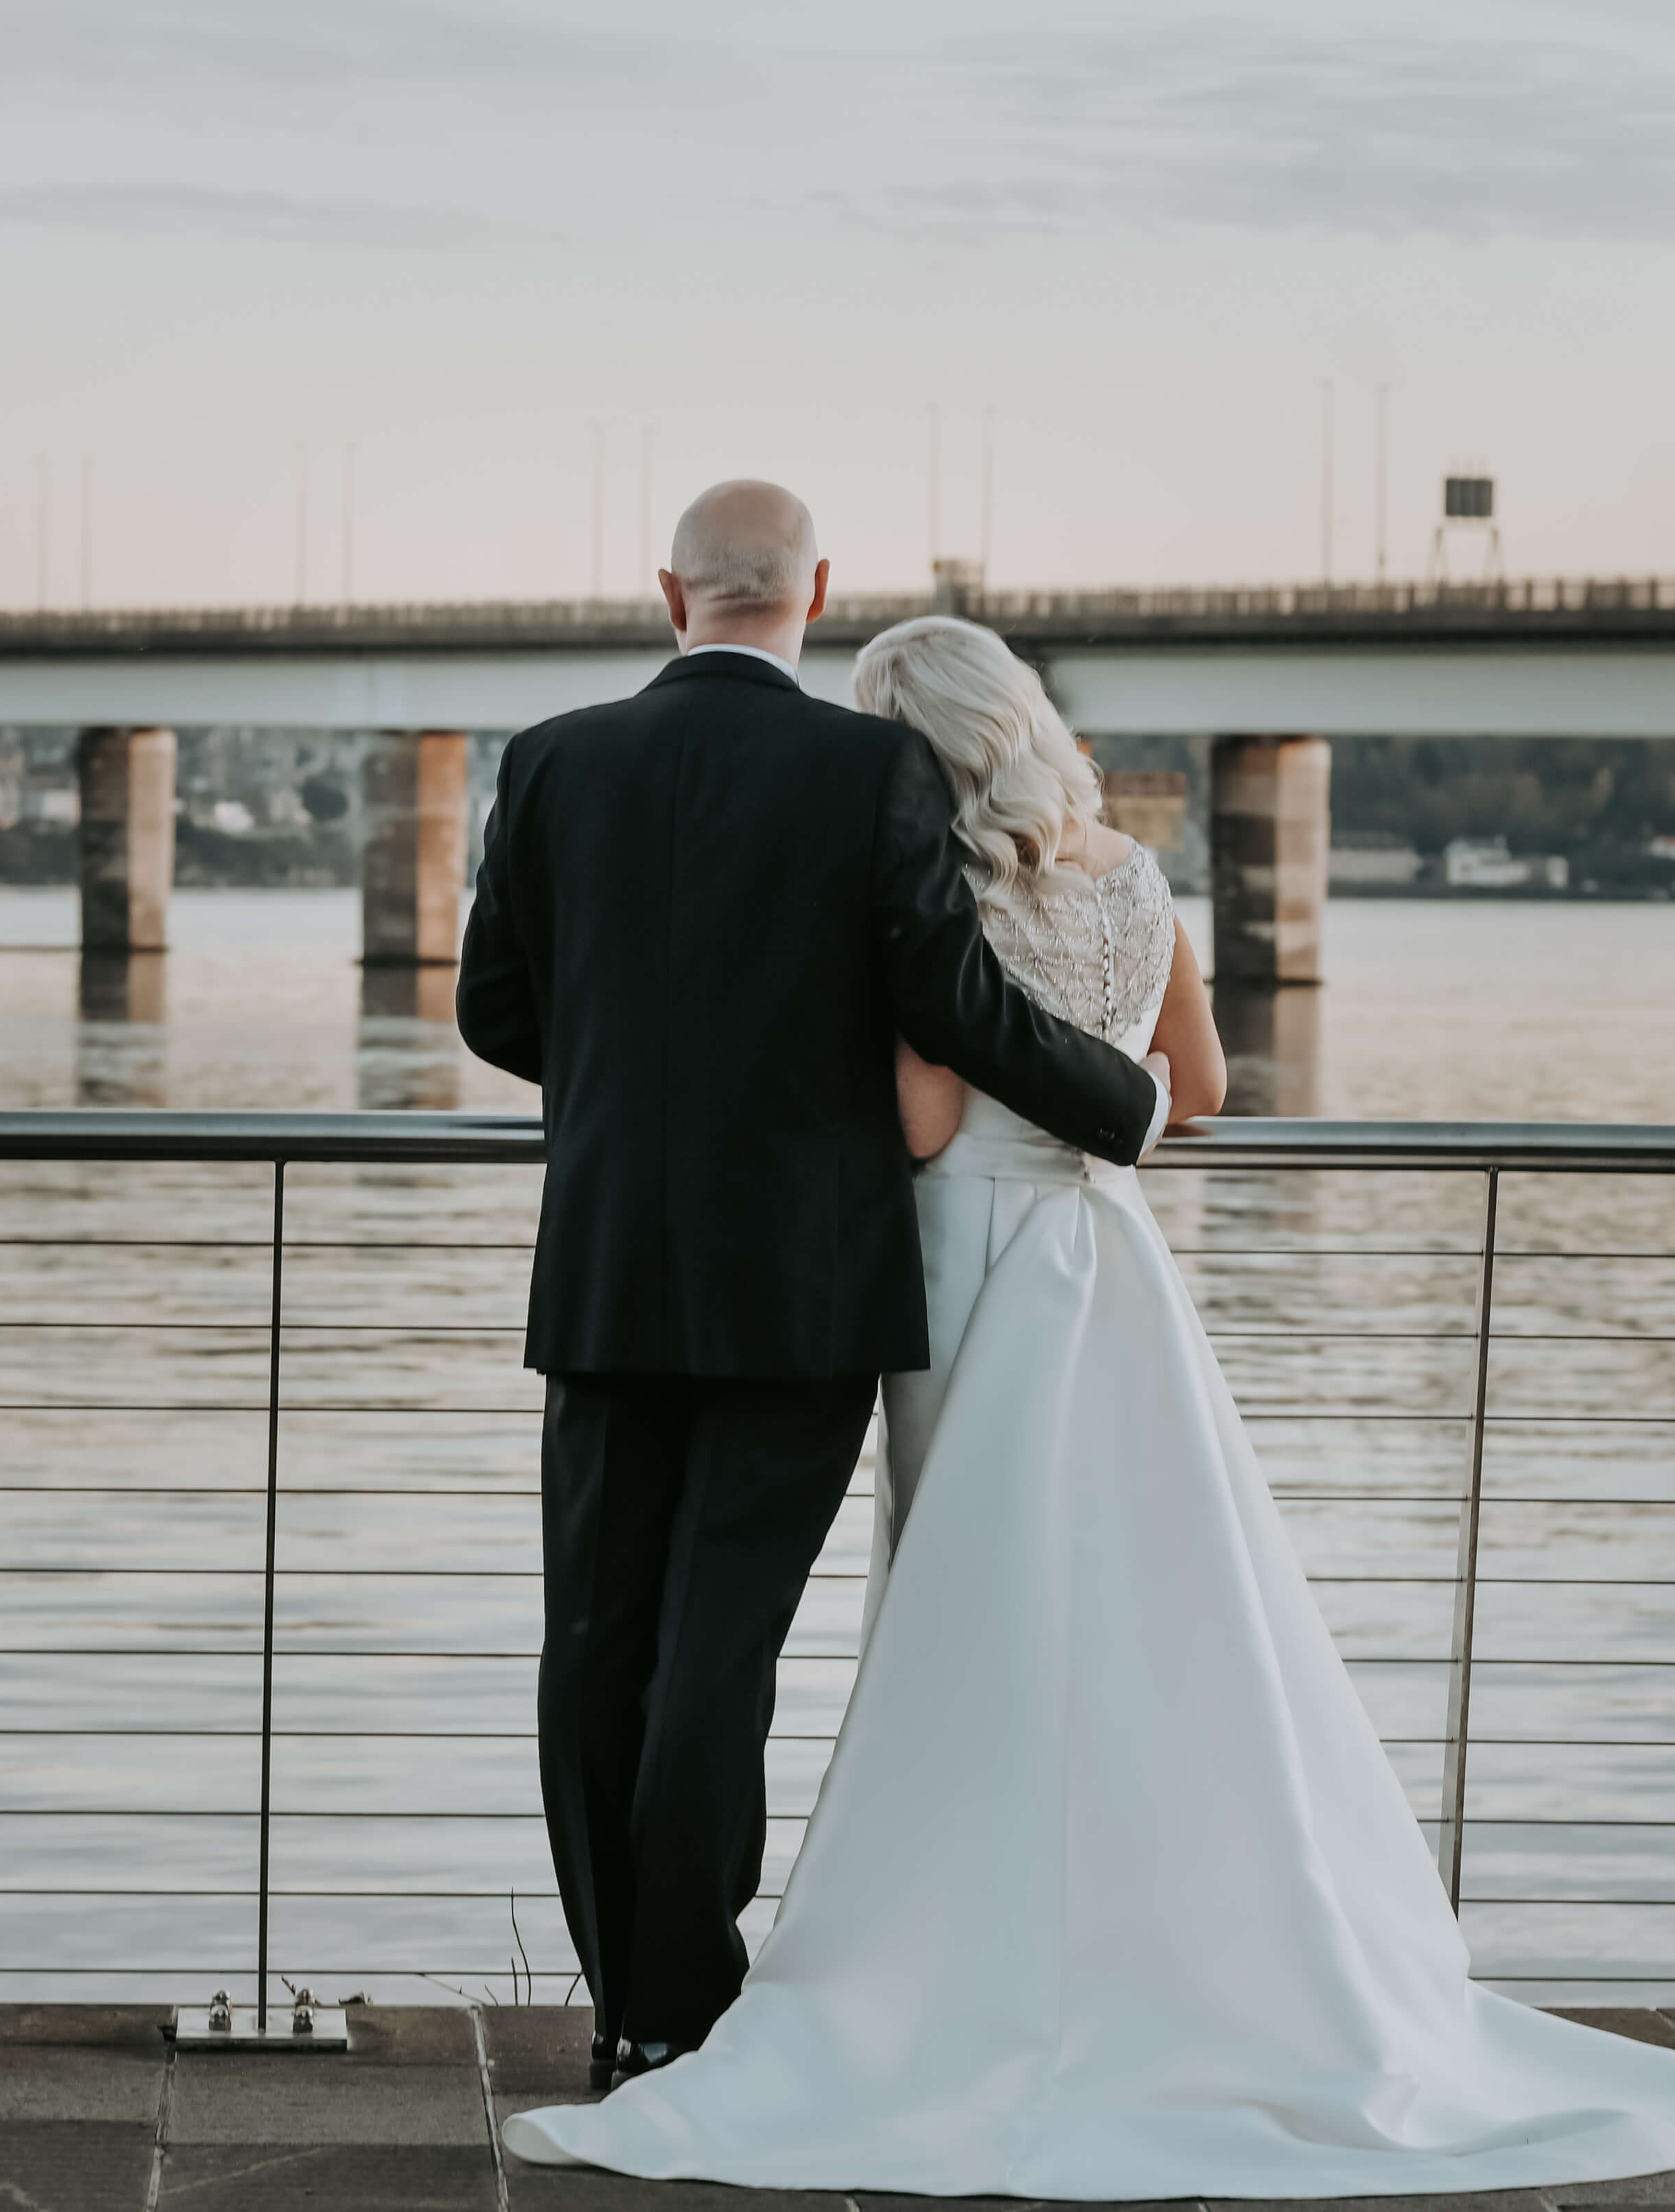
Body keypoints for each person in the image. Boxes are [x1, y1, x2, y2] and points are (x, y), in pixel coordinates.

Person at [500, 615, 1675, 2196]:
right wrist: (1123, 1106)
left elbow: (928, 1124)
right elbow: (1201, 1086)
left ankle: (767, 1985)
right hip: (1107, 1255)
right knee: (1149, 1605)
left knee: (957, 1605)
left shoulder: (910, 879)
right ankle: (1175, 1945)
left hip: (955, 1273)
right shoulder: (1135, 877)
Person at [456, 483, 1167, 2095]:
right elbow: (951, 996)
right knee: (724, 1640)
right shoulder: (872, 770)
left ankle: (621, 1996)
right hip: (801, 1275)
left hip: (612, 1260)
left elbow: (498, 1013)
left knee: (597, 1631)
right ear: (817, 592)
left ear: (668, 592)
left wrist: (634, 1075)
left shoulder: (555, 758)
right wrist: (1120, 1106)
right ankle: (682, 2005)